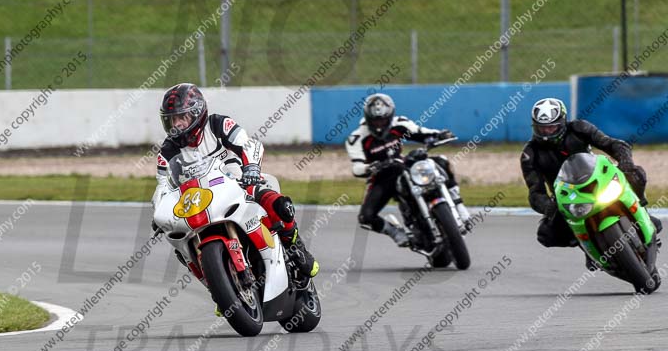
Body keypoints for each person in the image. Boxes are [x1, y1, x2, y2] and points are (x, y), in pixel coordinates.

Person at [151, 83, 319, 291]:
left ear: (196, 113)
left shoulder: (218, 124)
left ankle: (295, 246)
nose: (176, 125)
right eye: (171, 120)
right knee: (179, 245)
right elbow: (162, 186)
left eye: (181, 118)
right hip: (199, 201)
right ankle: (218, 288)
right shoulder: (167, 150)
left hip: (236, 182)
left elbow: (247, 143)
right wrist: (160, 212)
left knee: (274, 202)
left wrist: (251, 169)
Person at [520, 97, 661, 251]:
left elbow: (612, 144)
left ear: (562, 122)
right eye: (541, 128)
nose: (546, 132)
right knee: (546, 235)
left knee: (635, 174)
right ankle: (587, 246)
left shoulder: (579, 128)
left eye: (551, 127)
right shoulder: (529, 154)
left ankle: (642, 213)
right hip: (567, 197)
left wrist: (625, 160)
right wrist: (548, 206)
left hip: (598, 178)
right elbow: (535, 192)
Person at [344, 93, 469, 247]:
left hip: (403, 166)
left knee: (441, 161)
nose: (379, 125)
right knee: (366, 217)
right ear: (368, 118)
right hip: (381, 176)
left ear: (390, 116)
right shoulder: (356, 137)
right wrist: (370, 167)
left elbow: (421, 132)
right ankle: (395, 232)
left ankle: (459, 205)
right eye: (375, 120)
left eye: (383, 120)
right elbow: (356, 167)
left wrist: (438, 135)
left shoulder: (400, 124)